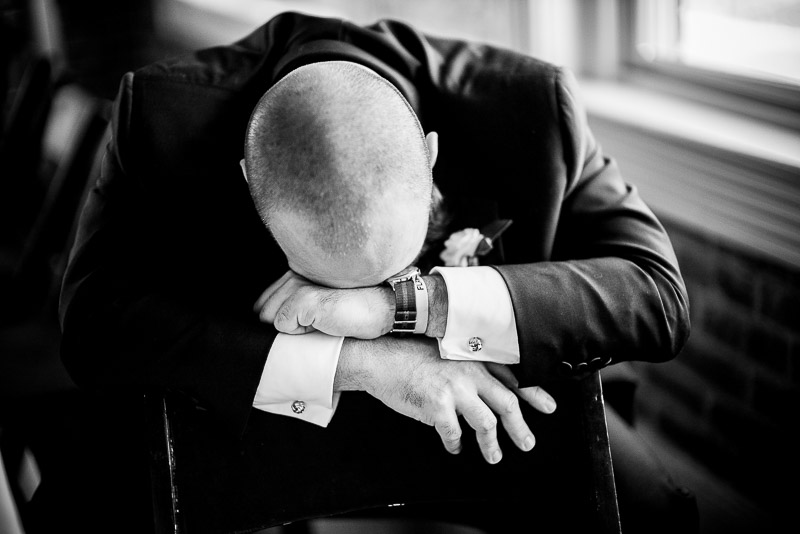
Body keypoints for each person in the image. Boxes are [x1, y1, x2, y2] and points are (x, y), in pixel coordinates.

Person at [58, 11, 695, 533]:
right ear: (251, 184)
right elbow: (92, 325)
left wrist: (403, 308)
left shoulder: (532, 108)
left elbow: (658, 297)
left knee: (654, 516)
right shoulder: (159, 118)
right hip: (261, 401)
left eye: (383, 270)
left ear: (430, 155)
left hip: (487, 394)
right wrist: (362, 362)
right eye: (326, 282)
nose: (359, 296)